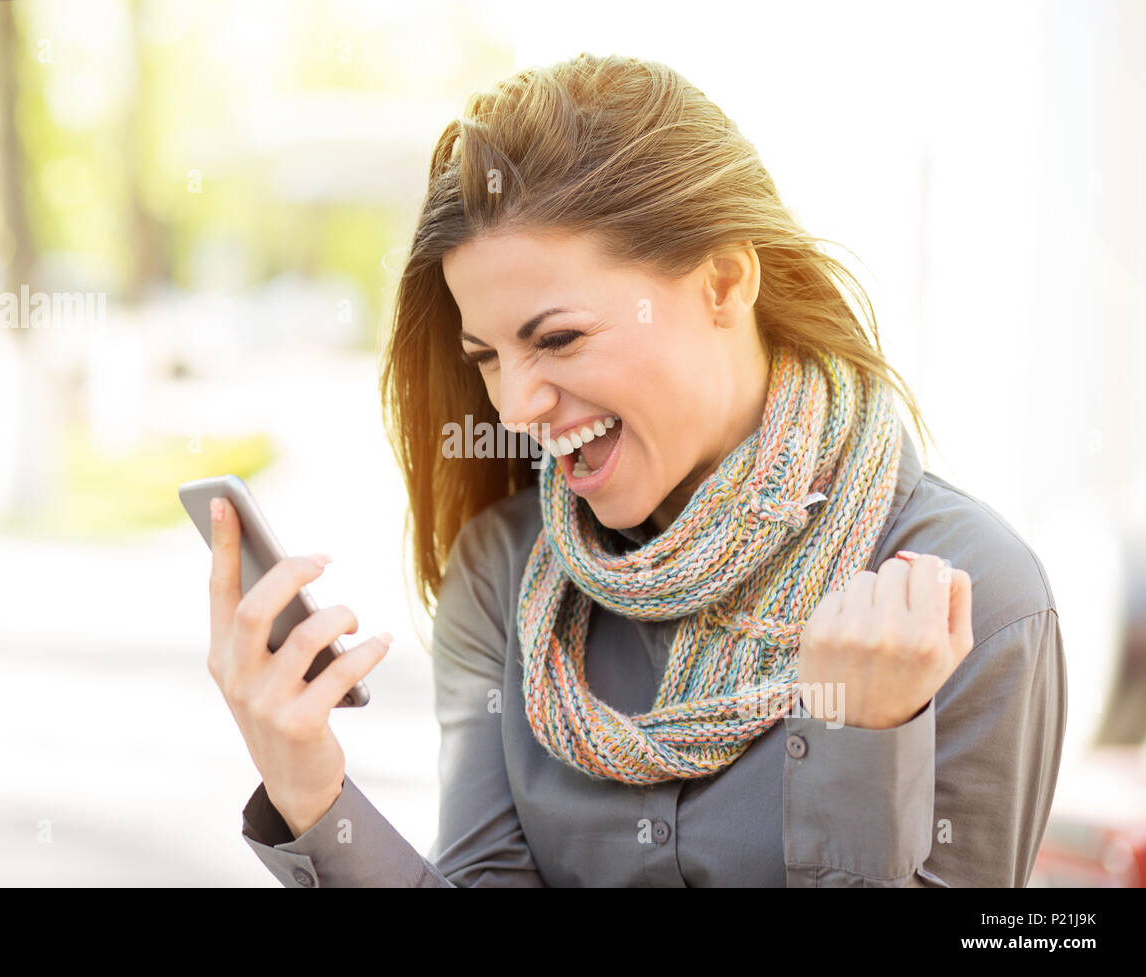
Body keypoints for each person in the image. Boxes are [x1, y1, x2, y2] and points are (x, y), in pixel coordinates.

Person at [207, 53, 1066, 886]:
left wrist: (865, 738)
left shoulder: (972, 598)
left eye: (558, 338)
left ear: (725, 283)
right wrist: (313, 795)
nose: (514, 408)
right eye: (489, 355)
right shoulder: (503, 574)